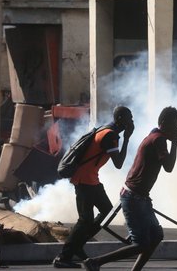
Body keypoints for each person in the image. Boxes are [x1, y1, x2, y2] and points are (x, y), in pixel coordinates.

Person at [82, 106, 177, 271]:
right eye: (174, 125)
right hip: (134, 197)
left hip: (139, 197)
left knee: (156, 236)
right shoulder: (159, 139)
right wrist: (175, 144)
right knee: (140, 244)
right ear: (164, 123)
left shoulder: (154, 135)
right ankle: (95, 262)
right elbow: (169, 167)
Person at [53, 106, 134, 268]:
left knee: (105, 212)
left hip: (91, 180)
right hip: (84, 180)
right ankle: (64, 257)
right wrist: (127, 138)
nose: (131, 121)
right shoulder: (110, 135)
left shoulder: (105, 129)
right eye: (129, 118)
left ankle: (77, 246)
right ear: (120, 119)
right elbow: (118, 164)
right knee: (85, 220)